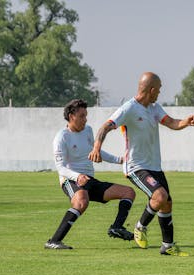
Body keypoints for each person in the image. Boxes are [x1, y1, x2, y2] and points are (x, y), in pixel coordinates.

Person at [89, 72, 194, 256]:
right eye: (159, 89)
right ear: (151, 89)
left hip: (154, 165)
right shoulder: (129, 108)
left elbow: (172, 123)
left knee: (166, 203)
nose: (160, 93)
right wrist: (97, 147)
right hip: (136, 166)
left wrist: (186, 122)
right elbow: (106, 126)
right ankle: (140, 226)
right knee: (160, 196)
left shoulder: (154, 108)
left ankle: (167, 246)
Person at [46, 99, 136, 250]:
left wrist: (119, 160)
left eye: (86, 115)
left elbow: (95, 150)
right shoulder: (61, 137)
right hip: (71, 180)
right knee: (81, 201)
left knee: (128, 192)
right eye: (82, 115)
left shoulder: (88, 130)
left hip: (90, 180)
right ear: (71, 116)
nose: (85, 119)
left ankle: (117, 227)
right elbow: (60, 168)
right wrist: (77, 177)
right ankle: (54, 241)